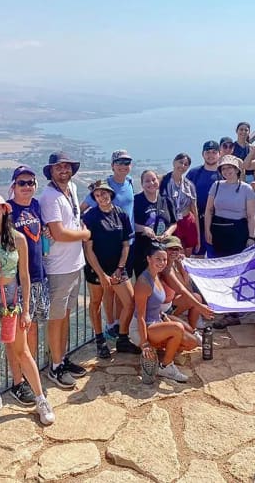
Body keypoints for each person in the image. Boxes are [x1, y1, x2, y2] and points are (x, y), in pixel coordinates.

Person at [0, 193, 54, 426]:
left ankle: (41, 399)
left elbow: (24, 276)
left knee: (22, 350)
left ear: (4, 209)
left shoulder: (18, 239)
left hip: (10, 298)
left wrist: (27, 308)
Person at [38, 151, 91, 389]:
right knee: (56, 318)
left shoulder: (72, 190)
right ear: (51, 171)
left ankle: (62, 357)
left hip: (74, 263)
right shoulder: (49, 196)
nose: (64, 170)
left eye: (67, 166)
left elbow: (73, 219)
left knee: (65, 315)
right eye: (59, 167)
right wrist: (86, 234)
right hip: (58, 267)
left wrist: (80, 227)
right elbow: (59, 232)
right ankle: (55, 366)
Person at [81, 149, 135, 340]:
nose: (102, 197)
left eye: (126, 162)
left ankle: (120, 330)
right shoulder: (92, 215)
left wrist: (120, 267)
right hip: (100, 263)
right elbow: (81, 210)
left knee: (125, 298)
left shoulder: (129, 183)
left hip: (122, 253)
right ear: (112, 165)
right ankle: (109, 327)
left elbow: (126, 241)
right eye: (119, 162)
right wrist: (80, 227)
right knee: (103, 296)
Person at [5, 165, 48, 406]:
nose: (27, 186)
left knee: (32, 329)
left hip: (36, 277)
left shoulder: (36, 206)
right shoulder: (7, 210)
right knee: (15, 335)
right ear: (13, 185)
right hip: (16, 282)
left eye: (31, 182)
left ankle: (31, 376)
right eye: (22, 182)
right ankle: (17, 382)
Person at [130, 242, 198, 383]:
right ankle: (165, 366)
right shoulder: (143, 283)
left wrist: (164, 318)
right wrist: (144, 343)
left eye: (164, 259)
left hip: (156, 322)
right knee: (177, 328)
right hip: (141, 328)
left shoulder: (157, 276)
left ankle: (161, 350)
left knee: (192, 342)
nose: (162, 263)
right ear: (149, 259)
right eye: (158, 259)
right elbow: (141, 316)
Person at [204, 154, 255, 258]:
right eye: (223, 168)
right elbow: (209, 210)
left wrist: (251, 237)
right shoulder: (216, 185)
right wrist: (207, 230)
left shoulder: (247, 189)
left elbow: (251, 215)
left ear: (237, 170)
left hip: (238, 232)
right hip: (217, 230)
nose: (226, 171)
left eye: (229, 167)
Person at [133, 169, 177, 277]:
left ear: (158, 181)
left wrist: (168, 233)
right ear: (142, 184)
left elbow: (174, 223)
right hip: (142, 251)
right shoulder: (136, 201)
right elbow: (129, 224)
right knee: (145, 283)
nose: (151, 183)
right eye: (147, 181)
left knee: (162, 284)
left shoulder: (166, 201)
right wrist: (144, 229)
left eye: (154, 180)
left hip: (162, 250)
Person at [161, 236, 209, 329]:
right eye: (171, 248)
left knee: (196, 297)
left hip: (170, 304)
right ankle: (186, 327)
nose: (174, 252)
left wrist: (180, 265)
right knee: (195, 299)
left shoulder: (173, 264)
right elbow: (182, 290)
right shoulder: (164, 267)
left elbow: (185, 284)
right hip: (162, 310)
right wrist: (200, 307)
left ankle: (193, 327)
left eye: (177, 249)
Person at [159, 153, 200, 257]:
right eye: (180, 162)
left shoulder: (189, 185)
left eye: (186, 164)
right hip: (171, 223)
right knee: (174, 256)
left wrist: (199, 237)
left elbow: (195, 210)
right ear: (174, 162)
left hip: (187, 222)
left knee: (186, 257)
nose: (182, 166)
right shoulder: (163, 181)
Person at [186, 140, 221, 257]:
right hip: (197, 221)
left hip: (217, 221)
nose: (210, 155)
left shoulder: (224, 174)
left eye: (214, 152)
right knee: (197, 256)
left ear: (219, 154)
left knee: (216, 257)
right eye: (208, 152)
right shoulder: (194, 173)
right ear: (202, 154)